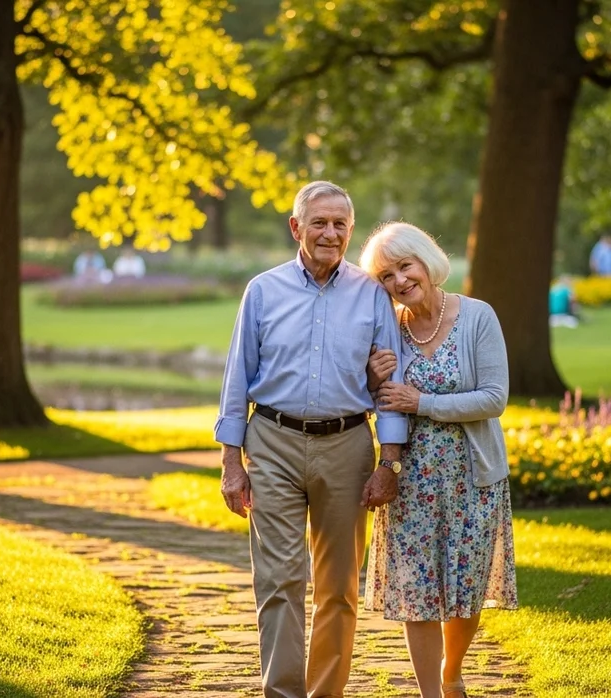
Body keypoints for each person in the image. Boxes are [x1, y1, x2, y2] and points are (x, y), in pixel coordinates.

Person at [215, 181, 408, 698]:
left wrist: (389, 463)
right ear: (296, 228)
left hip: (347, 447)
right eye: (319, 222)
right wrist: (231, 463)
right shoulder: (262, 290)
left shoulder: (372, 294)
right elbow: (237, 379)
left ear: (350, 230)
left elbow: (388, 389)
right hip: (272, 442)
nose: (330, 232)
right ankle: (282, 694)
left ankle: (325, 693)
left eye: (340, 224)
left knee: (339, 587)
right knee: (278, 579)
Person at [359, 222, 518, 698]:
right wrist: (371, 380)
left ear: (426, 262)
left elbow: (494, 398)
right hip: (411, 481)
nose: (399, 281)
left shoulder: (476, 316)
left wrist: (422, 402)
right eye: (386, 276)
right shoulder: (389, 330)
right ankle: (432, 691)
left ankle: (452, 672)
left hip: (474, 478)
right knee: (417, 594)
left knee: (465, 592)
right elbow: (378, 402)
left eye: (404, 266)